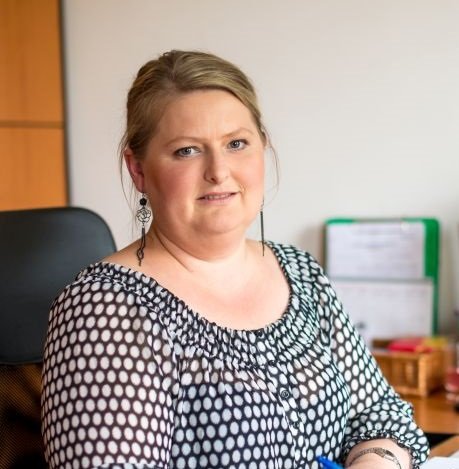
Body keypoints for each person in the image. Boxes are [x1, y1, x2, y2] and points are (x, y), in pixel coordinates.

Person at [41, 50, 429, 469]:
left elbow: (381, 415)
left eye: (236, 144)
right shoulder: (105, 309)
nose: (219, 171)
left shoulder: (300, 273)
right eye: (187, 151)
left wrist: (375, 462)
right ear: (138, 170)